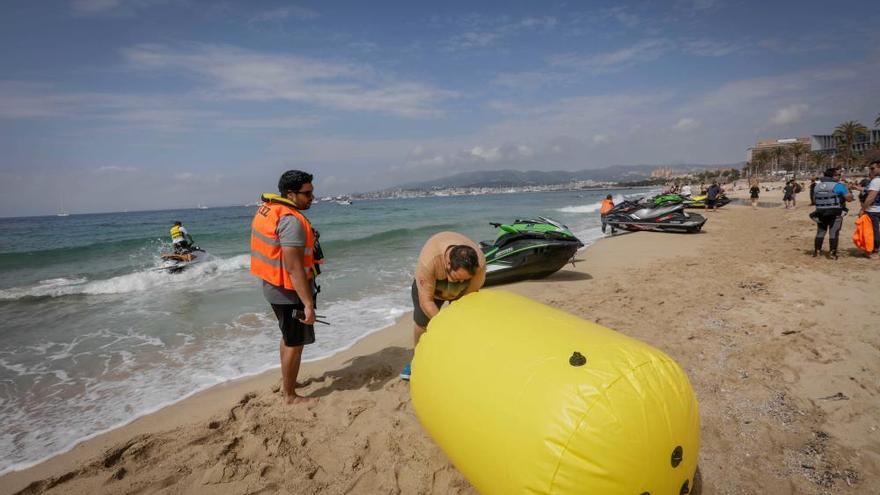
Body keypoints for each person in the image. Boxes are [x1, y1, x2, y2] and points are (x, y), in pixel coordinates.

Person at [250, 170, 324, 404]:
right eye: (307, 193)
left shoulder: (269, 209)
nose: (312, 197)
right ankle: (289, 395)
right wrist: (308, 304)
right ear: (290, 194)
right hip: (289, 292)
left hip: (273, 287)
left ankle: (288, 381)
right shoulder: (291, 221)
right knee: (295, 343)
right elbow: (294, 268)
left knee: (287, 337)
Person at [403, 232, 486, 380]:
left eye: (465, 279)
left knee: (461, 322)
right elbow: (426, 301)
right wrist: (442, 322)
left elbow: (468, 297)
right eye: (457, 278)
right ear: (448, 264)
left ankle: (454, 357)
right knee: (422, 324)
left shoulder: (480, 266)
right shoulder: (429, 262)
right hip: (431, 290)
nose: (460, 282)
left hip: (462, 291)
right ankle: (417, 360)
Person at [811, 168, 853, 259]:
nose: (840, 177)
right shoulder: (838, 186)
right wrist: (848, 190)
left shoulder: (817, 186)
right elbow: (849, 199)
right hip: (835, 212)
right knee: (834, 233)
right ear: (833, 176)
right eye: (838, 175)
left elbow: (814, 200)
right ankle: (832, 254)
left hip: (820, 212)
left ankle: (817, 252)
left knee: (820, 232)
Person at [859, 160, 880, 259]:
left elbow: (871, 197)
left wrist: (863, 209)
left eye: (872, 168)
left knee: (872, 231)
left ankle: (874, 251)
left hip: (874, 210)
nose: (870, 170)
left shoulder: (876, 180)